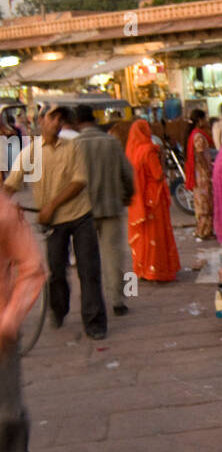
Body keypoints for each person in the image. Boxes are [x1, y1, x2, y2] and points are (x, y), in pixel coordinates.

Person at [4, 105, 108, 339]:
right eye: (52, 117)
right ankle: (59, 309)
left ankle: (94, 322)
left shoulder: (72, 147)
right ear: (40, 120)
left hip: (80, 216)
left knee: (89, 270)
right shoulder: (30, 153)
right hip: (53, 223)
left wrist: (51, 205)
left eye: (61, 119)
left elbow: (79, 182)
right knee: (56, 272)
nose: (57, 123)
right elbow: (11, 184)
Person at [0, 188, 45, 452]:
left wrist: (10, 320)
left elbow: (31, 265)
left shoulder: (4, 211)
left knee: (7, 411)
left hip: (2, 331)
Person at [75, 104, 135, 316]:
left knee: (88, 259)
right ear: (94, 120)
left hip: (83, 212)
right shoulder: (111, 142)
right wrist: (127, 195)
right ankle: (118, 301)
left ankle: (92, 303)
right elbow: (127, 172)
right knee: (114, 255)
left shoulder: (73, 145)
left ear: (77, 122)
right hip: (112, 207)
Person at [125, 119, 180, 282]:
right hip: (154, 197)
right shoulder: (149, 150)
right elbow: (158, 175)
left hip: (140, 198)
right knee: (157, 233)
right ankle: (157, 270)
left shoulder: (132, 151)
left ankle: (144, 269)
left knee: (145, 234)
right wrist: (161, 159)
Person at [185, 108, 214, 240]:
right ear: (200, 121)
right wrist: (207, 168)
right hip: (202, 174)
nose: (206, 121)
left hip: (198, 172)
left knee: (201, 202)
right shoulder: (199, 136)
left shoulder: (195, 134)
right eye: (204, 119)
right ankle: (204, 231)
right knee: (205, 203)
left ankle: (202, 230)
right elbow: (200, 154)